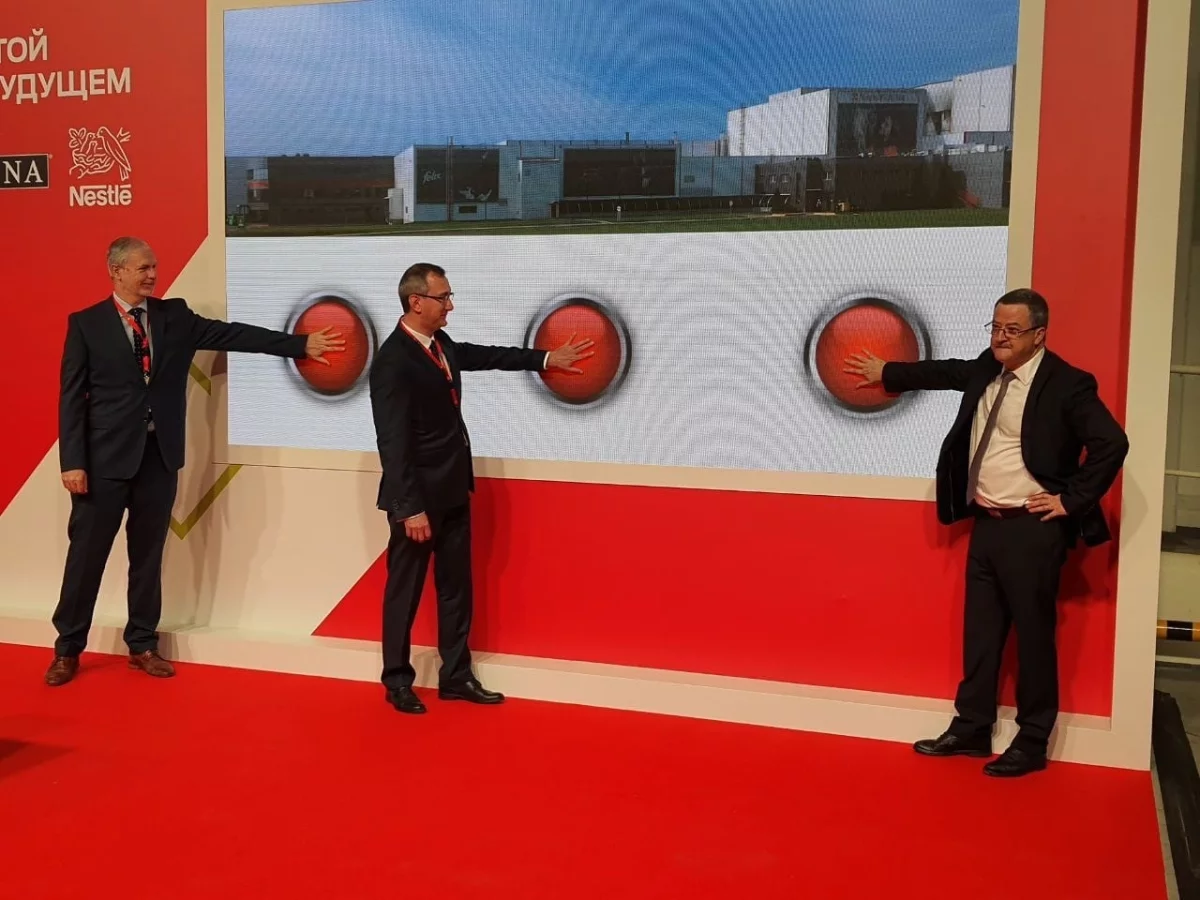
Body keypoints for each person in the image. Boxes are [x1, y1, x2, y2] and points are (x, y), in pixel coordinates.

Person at [843, 288, 1128, 776]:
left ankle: (1032, 741)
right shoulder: (986, 368)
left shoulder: (1067, 384)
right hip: (988, 525)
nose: (1000, 337)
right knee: (981, 635)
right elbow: (945, 372)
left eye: (1012, 330)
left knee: (1033, 640)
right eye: (995, 327)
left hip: (1032, 530)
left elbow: (1112, 442)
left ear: (1039, 335)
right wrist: (887, 372)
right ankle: (972, 728)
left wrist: (1070, 500)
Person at [47, 236, 344, 686]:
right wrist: (73, 462)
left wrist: (299, 344)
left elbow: (234, 334)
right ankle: (68, 649)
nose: (152, 275)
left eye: (154, 266)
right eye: (142, 268)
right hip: (102, 463)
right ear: (116, 271)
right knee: (86, 559)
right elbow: (71, 398)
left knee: (147, 558)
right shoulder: (86, 324)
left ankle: (142, 644)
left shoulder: (174, 317)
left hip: (158, 458)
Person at [369, 263, 593, 714]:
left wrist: (545, 359)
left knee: (456, 588)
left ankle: (456, 676)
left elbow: (484, 355)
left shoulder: (442, 345)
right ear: (416, 302)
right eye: (443, 297)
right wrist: (409, 507)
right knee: (404, 591)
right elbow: (392, 441)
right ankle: (397, 681)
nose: (450, 305)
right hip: (417, 502)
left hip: (454, 489)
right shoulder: (392, 361)